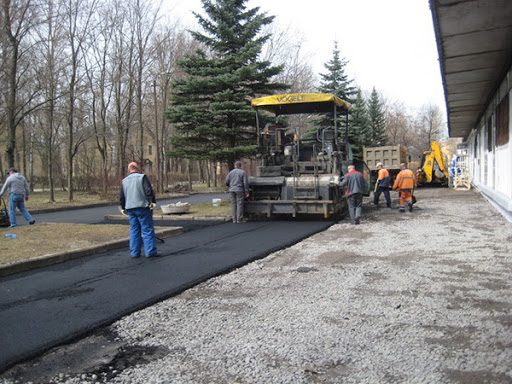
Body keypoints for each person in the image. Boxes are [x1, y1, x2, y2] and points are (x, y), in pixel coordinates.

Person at [120, 162, 159, 258]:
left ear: (129, 170)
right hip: (142, 206)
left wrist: (123, 207)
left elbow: (122, 196)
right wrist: (152, 202)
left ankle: (134, 252)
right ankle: (150, 251)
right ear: (137, 169)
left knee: (134, 230)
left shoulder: (124, 181)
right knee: (147, 229)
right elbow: (148, 190)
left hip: (130, 208)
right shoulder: (142, 177)